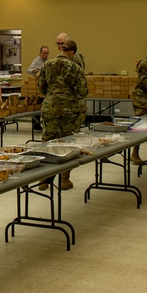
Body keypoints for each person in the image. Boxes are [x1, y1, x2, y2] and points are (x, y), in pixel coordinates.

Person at [38, 39, 87, 190]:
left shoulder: (47, 64)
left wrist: (52, 95)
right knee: (68, 143)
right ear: (72, 52)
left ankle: (43, 179)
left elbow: (40, 87)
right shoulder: (75, 67)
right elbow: (83, 90)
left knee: (47, 141)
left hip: (50, 107)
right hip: (69, 110)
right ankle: (64, 179)